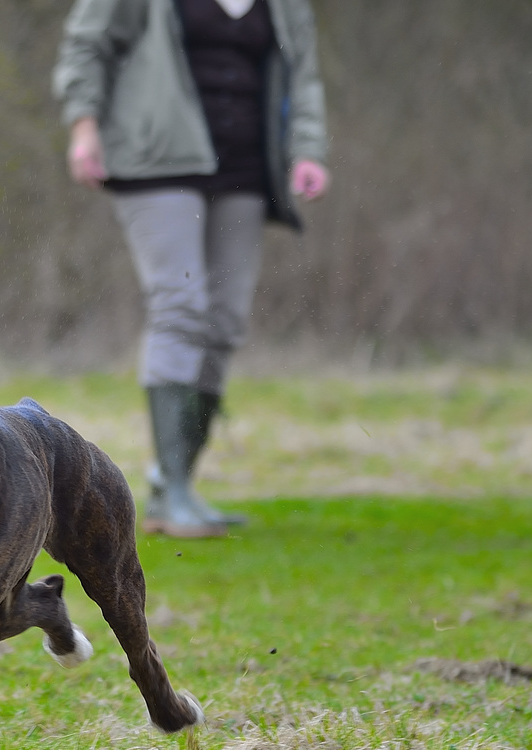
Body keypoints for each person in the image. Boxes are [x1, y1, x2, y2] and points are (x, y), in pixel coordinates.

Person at [54, 0, 329, 538]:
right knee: (181, 307)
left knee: (224, 322)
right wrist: (84, 128)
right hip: (156, 159)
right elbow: (87, 44)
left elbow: (303, 73)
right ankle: (171, 487)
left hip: (247, 166)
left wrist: (309, 150)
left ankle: (175, 483)